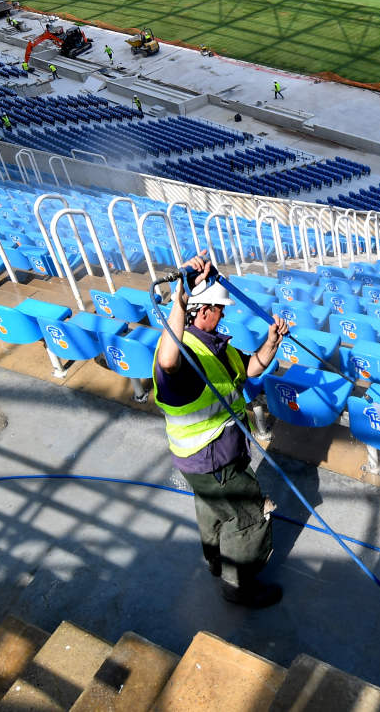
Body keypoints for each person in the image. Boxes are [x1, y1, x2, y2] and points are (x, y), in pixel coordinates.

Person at [153, 254, 288, 608]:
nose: (223, 314)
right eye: (218, 308)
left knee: (213, 511)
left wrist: (272, 340)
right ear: (201, 311)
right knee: (249, 515)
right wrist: (179, 301)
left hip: (199, 463)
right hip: (214, 460)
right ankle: (239, 585)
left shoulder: (214, 348)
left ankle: (216, 561)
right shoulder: (186, 357)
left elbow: (252, 367)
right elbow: (167, 361)